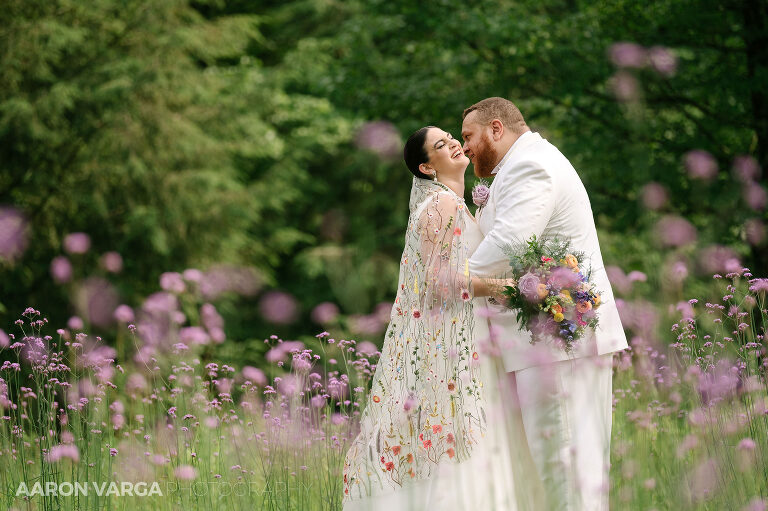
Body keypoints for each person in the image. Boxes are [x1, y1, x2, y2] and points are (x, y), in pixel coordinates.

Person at [342, 126, 541, 510]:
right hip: (453, 342)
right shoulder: (441, 206)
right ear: (426, 167)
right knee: (462, 440)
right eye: (440, 145)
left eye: (451, 137)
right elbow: (437, 282)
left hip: (465, 334)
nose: (452, 143)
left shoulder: (451, 201)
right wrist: (508, 287)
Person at [461, 97, 629, 510]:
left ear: (495, 129)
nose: (464, 147)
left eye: (468, 136)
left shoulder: (531, 165)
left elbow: (512, 242)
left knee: (567, 469)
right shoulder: (521, 165)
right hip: (543, 342)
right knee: (556, 472)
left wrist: (453, 278)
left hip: (559, 340)